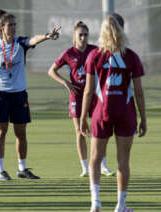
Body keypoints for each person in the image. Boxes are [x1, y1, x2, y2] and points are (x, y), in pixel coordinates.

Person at [0, 9, 60, 181]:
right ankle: (1, 171)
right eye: (10, 25)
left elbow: (33, 39)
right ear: (1, 27)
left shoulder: (20, 42)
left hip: (19, 94)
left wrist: (46, 36)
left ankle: (22, 168)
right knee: (1, 132)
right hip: (0, 93)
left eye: (15, 24)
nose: (13, 28)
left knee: (21, 132)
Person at [80, 13, 147, 212]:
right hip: (126, 113)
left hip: (101, 113)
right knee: (123, 160)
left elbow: (89, 91)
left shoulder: (94, 55)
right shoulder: (131, 56)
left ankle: (96, 202)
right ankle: (121, 205)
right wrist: (144, 118)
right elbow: (139, 92)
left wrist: (83, 117)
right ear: (122, 29)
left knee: (95, 158)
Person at [48, 21, 114, 177]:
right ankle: (85, 167)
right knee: (80, 131)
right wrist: (66, 82)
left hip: (94, 96)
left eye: (86, 34)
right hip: (77, 97)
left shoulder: (95, 51)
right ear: (74, 37)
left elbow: (108, 67)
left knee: (100, 131)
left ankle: (103, 165)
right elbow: (51, 71)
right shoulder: (69, 53)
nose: (83, 38)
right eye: (80, 35)